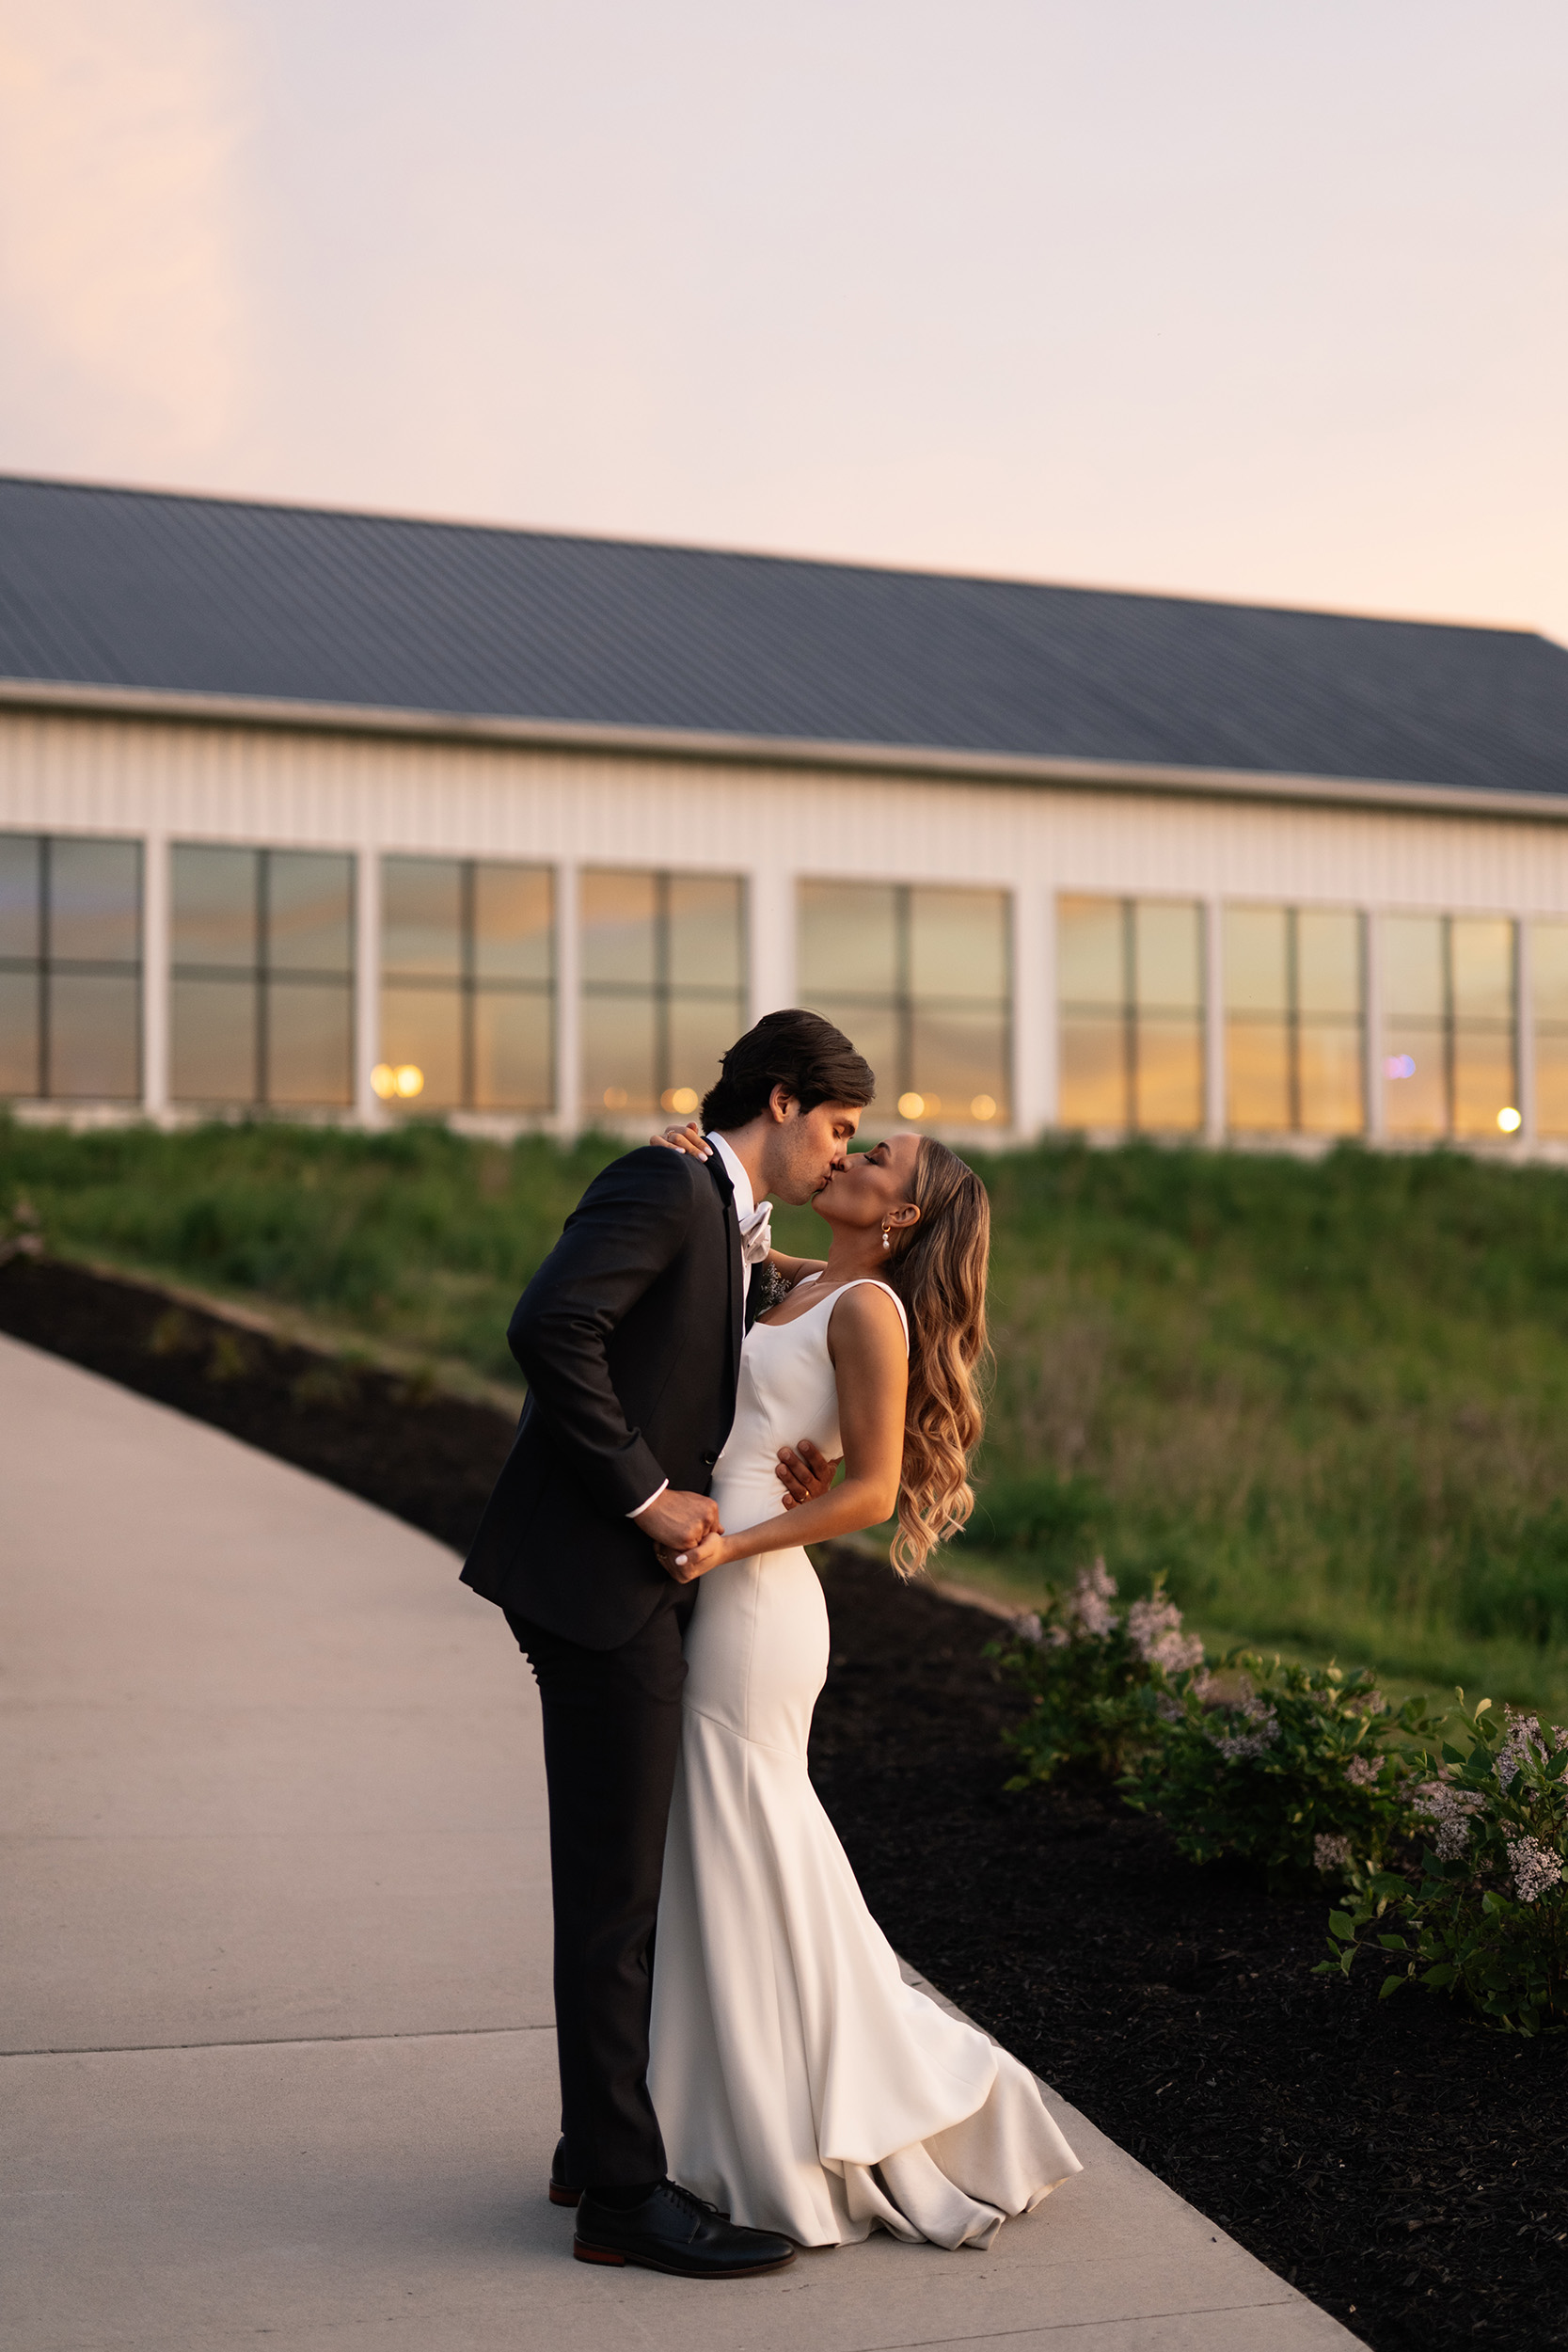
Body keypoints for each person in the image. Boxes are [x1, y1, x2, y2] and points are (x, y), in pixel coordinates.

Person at [459, 1009, 875, 2280]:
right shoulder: (664, 1177)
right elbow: (551, 1327)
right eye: (840, 1130)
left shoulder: (706, 1190)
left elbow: (715, 1297)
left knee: (619, 1889)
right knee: (614, 1899)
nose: (839, 1156)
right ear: (787, 1097)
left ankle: (597, 2154)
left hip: (612, 1578)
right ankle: (622, 2201)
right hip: (598, 1575)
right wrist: (647, 1495)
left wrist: (802, 1286)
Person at [641, 1121, 1083, 2249]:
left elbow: (876, 1491)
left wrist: (733, 1548)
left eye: (878, 1157)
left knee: (747, 1839)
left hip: (756, 1604)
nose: (854, 1156)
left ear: (903, 1217)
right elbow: (736, 1247)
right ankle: (728, 2114)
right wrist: (691, 1161)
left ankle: (842, 2104)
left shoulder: (870, 1312)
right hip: (728, 1581)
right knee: (726, 1849)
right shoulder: (803, 1283)